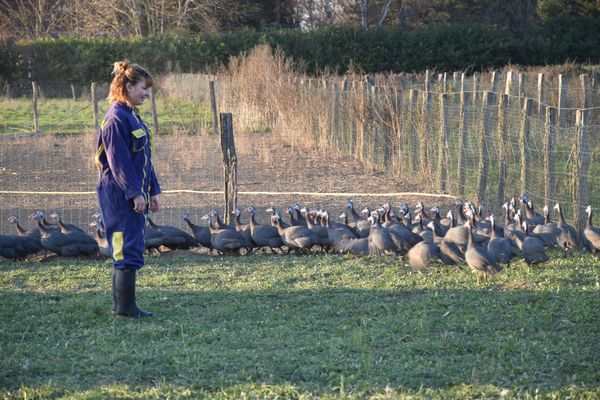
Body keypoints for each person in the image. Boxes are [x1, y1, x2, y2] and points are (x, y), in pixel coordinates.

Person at [95, 61, 161, 318]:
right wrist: (134, 193)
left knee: (129, 246)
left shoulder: (132, 115)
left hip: (134, 193)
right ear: (128, 86)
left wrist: (152, 190)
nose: (147, 93)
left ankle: (121, 306)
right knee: (124, 247)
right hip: (119, 195)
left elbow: (143, 157)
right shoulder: (115, 120)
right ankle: (125, 308)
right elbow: (118, 162)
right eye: (143, 88)